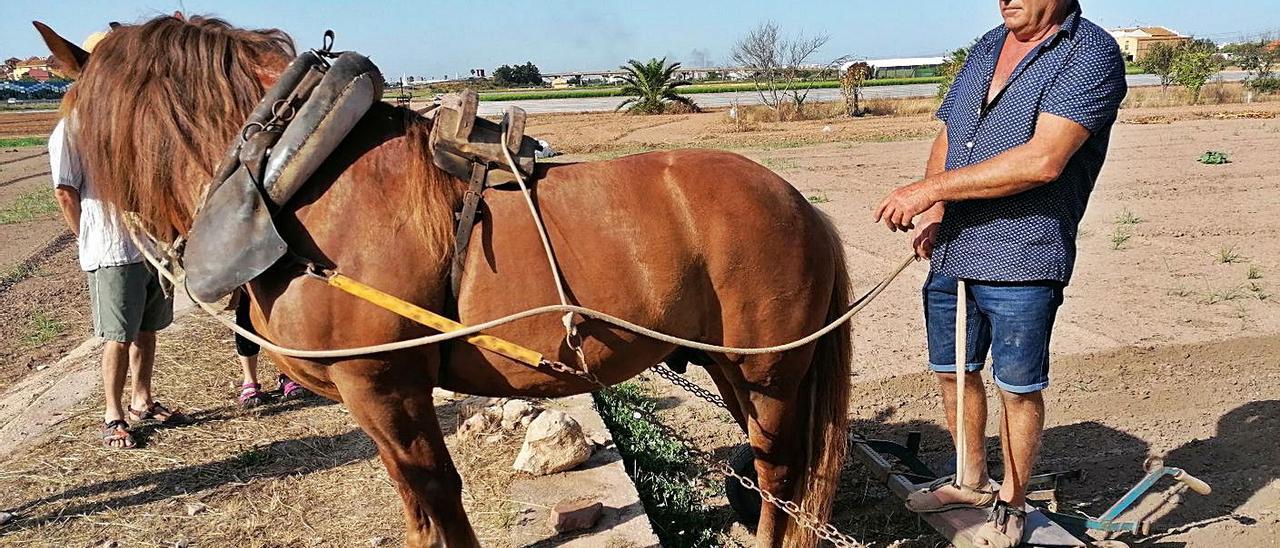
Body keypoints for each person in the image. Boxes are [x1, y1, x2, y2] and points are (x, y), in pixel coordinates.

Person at [872, 1, 1127, 546]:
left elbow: (1044, 160)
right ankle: (969, 481)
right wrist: (938, 212)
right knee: (953, 370)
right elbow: (950, 132)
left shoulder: (1090, 52)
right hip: (955, 247)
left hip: (1023, 253)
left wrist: (928, 191)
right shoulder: (988, 45)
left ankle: (1012, 501)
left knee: (1016, 386)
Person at [52, 114, 187, 449]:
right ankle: (113, 415)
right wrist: (86, 236)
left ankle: (142, 400)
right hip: (111, 250)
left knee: (147, 329)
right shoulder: (71, 128)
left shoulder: (131, 117)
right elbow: (65, 192)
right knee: (118, 336)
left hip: (151, 248)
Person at [232, 292, 311, 407]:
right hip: (246, 276)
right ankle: (250, 380)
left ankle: (289, 375)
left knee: (284, 308)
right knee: (246, 309)